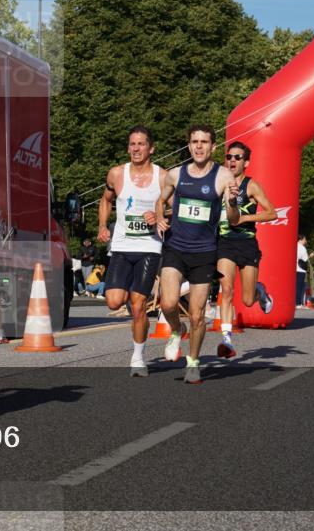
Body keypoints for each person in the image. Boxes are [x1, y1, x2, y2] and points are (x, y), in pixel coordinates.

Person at [155, 124, 239, 384]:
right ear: (189, 145)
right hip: (175, 247)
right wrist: (159, 218)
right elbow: (161, 201)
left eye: (204, 142)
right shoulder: (175, 174)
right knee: (168, 304)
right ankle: (176, 330)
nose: (199, 146)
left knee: (197, 314)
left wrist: (232, 202)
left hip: (204, 252)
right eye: (194, 142)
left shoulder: (223, 176)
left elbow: (233, 219)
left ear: (213, 146)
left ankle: (193, 362)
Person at [97, 126, 165, 375]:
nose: (136, 149)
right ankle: (137, 304)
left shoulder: (162, 177)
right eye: (132, 144)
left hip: (149, 247)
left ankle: (138, 357)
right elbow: (106, 200)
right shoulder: (117, 173)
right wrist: (102, 225)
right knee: (114, 301)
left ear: (151, 148)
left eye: (141, 144)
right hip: (122, 246)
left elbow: (175, 207)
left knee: (137, 305)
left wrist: (158, 215)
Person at [215, 141, 277, 358]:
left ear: (246, 163)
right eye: (229, 157)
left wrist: (244, 218)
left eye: (237, 157)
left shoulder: (251, 186)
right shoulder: (219, 184)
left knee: (248, 300)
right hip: (225, 243)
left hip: (247, 243)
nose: (232, 161)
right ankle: (226, 340)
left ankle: (260, 291)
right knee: (227, 290)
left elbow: (272, 213)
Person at [296, 235, 309, 307]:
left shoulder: (294, 246)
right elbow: (305, 259)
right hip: (301, 269)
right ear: (301, 240)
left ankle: (293, 302)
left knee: (294, 286)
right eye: (304, 239)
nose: (305, 241)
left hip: (293, 269)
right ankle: (298, 303)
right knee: (299, 287)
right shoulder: (303, 248)